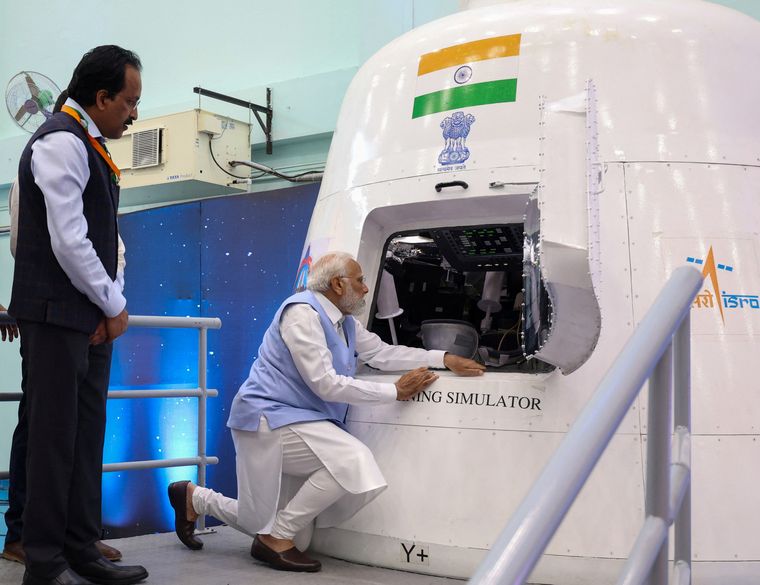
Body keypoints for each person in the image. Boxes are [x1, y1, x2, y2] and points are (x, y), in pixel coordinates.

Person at [167, 251, 485, 572]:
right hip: (266, 419)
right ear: (337, 284)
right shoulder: (302, 315)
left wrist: (442, 358)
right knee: (351, 460)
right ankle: (274, 539)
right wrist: (394, 391)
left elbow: (381, 352)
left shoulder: (345, 322)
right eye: (359, 280)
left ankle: (195, 499)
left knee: (294, 535)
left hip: (298, 420)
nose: (364, 288)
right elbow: (325, 383)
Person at [8, 46, 148, 585]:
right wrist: (113, 306)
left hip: (85, 316)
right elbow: (68, 241)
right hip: (54, 316)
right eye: (129, 101)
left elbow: (107, 241)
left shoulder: (88, 144)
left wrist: (110, 304)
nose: (134, 113)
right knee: (52, 438)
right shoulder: (60, 141)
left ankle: (80, 545)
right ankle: (43, 563)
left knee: (86, 434)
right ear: (101, 96)